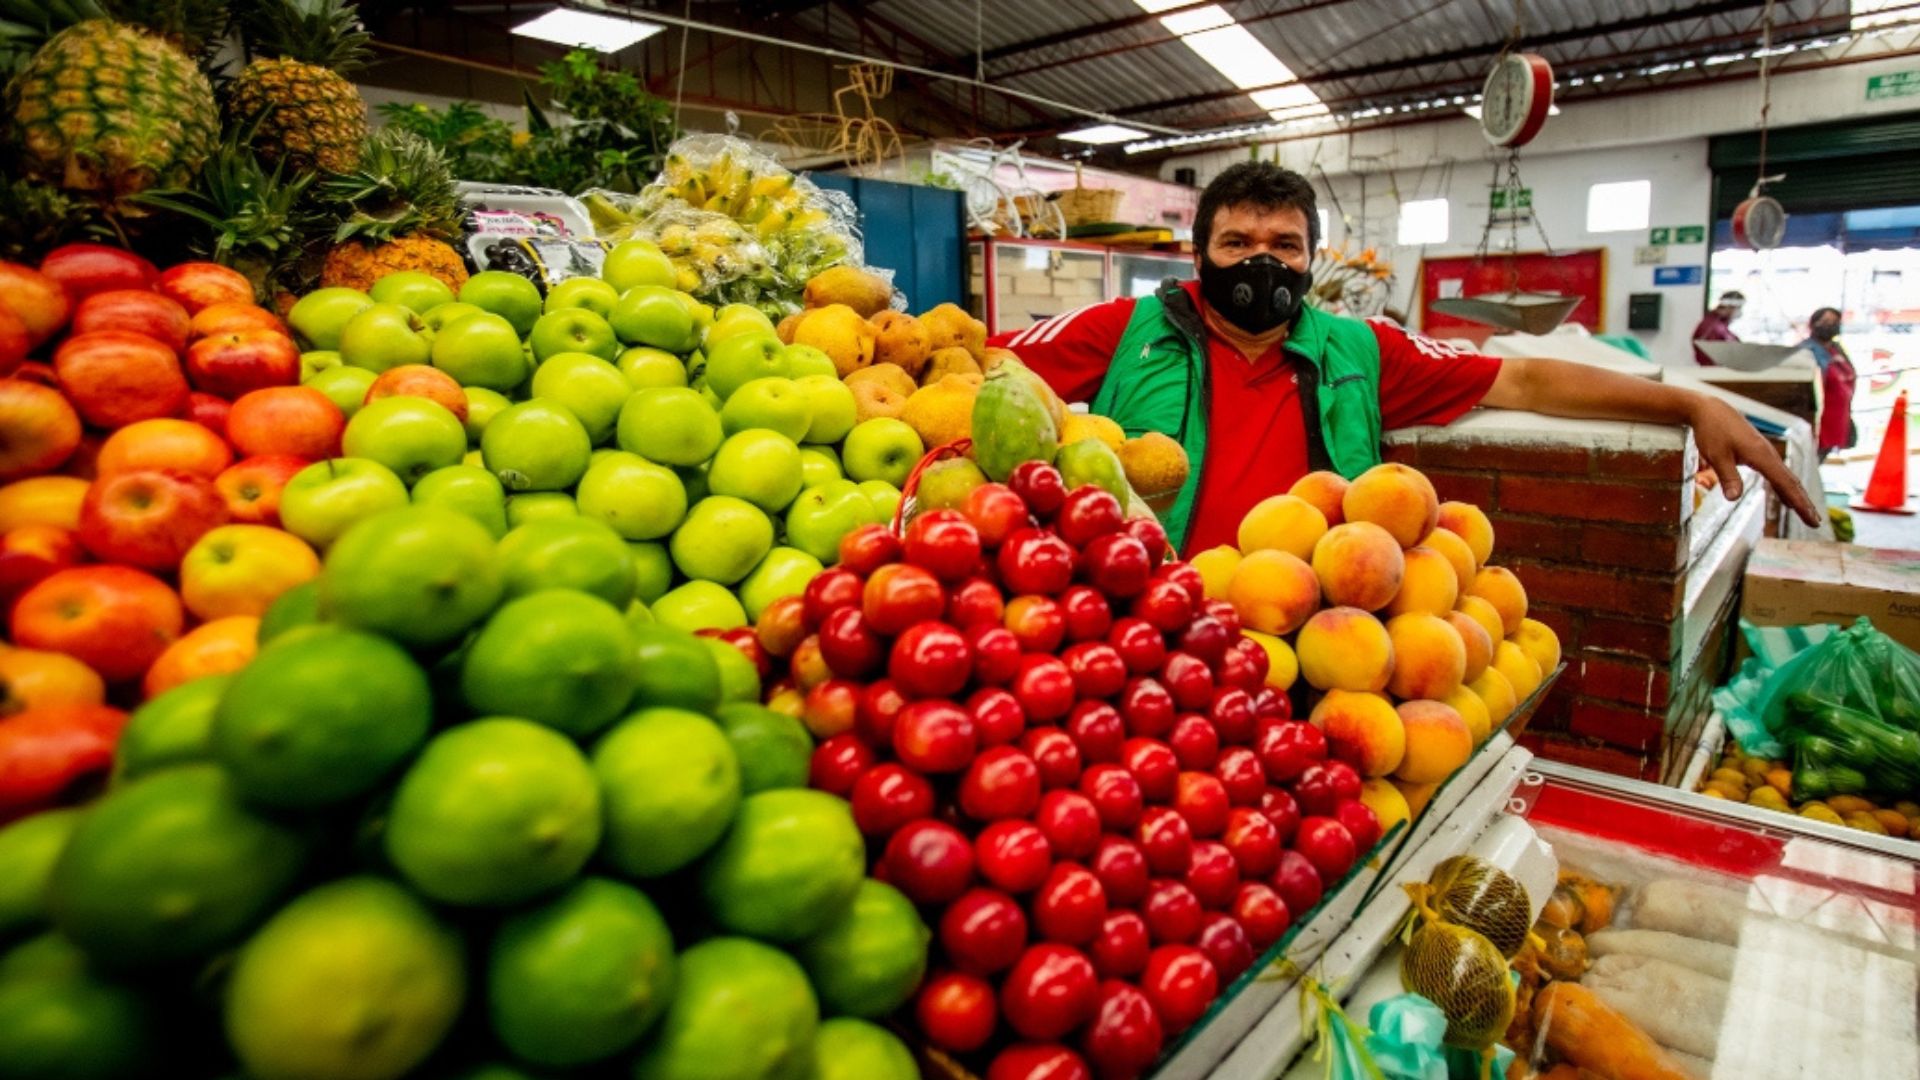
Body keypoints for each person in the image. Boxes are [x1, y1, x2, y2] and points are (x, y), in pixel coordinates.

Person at [990, 162, 1817, 555]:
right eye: (1236, 242)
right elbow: (967, 366)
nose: (1260, 263)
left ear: (1312, 259)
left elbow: (1524, 374)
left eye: (1284, 245)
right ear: (1198, 254)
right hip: (1145, 619)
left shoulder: (1361, 349)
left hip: (1315, 633)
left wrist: (1690, 403)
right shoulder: (1122, 330)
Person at [1800, 306, 1857, 458]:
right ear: (1813, 324)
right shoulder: (1806, 350)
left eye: (1834, 321)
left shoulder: (1837, 349)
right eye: (1825, 321)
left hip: (1837, 420)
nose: (1830, 325)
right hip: (1818, 422)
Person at [1691, 291, 1744, 366]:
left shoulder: (1720, 325)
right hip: (1715, 372)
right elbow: (1706, 352)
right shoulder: (1711, 326)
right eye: (1739, 308)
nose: (1739, 311)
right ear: (1729, 306)